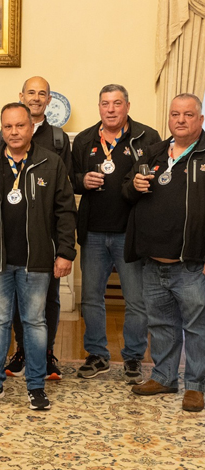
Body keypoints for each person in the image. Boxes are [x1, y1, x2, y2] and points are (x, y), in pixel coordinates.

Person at [0, 103, 76, 410]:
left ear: (31, 127)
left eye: (20, 125)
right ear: (1, 129)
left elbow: (65, 211)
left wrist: (65, 252)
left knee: (34, 322)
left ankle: (36, 386)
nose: (14, 132)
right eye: (7, 126)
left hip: (36, 260)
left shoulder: (51, 162)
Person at [71, 84, 161, 384]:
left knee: (136, 300)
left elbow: (158, 179)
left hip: (130, 233)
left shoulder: (147, 137)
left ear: (127, 106)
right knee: (91, 298)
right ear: (99, 107)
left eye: (117, 103)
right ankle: (97, 355)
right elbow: (68, 179)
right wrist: (82, 180)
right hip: (93, 232)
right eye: (105, 103)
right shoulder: (84, 139)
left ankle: (133, 357)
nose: (111, 109)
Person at [123, 93, 205, 412]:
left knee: (197, 327)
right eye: (175, 114)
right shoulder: (154, 151)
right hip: (152, 261)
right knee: (160, 325)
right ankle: (164, 376)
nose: (180, 120)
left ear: (200, 119)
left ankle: (196, 386)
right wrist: (134, 186)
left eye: (188, 114)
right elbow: (126, 190)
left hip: (192, 263)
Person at [0, 76, 73, 381]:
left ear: (48, 100)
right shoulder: (4, 136)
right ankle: (21, 349)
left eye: (42, 93)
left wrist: (64, 248)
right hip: (14, 238)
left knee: (49, 298)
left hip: (47, 239)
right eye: (31, 92)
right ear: (22, 96)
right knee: (18, 299)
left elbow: (64, 197)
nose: (36, 98)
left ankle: (46, 353)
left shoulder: (58, 139)